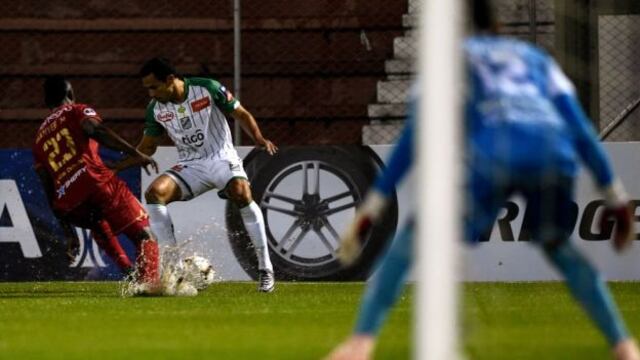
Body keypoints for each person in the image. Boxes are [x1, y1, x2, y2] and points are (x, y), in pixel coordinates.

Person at [326, 1, 640, 359]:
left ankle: (360, 343)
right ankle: (624, 345)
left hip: (497, 153)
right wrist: (615, 196)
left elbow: (416, 136)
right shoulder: (534, 58)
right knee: (558, 246)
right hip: (554, 153)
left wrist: (373, 205)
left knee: (418, 233)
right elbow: (582, 130)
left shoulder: (452, 58)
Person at [112, 57, 277, 292]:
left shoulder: (207, 88)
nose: (151, 93)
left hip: (222, 158)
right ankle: (173, 268)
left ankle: (265, 269)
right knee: (155, 193)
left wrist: (258, 138)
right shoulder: (156, 109)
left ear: (170, 80)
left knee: (241, 192)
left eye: (153, 87)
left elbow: (241, 113)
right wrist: (117, 166)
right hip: (191, 166)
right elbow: (148, 147)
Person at [33, 76, 161, 294]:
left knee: (97, 222)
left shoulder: (38, 140)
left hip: (70, 204)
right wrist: (136, 153)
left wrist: (69, 233)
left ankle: (127, 270)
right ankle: (149, 285)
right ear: (70, 94)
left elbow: (48, 188)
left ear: (47, 102)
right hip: (96, 183)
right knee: (145, 235)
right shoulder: (76, 111)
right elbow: (98, 131)